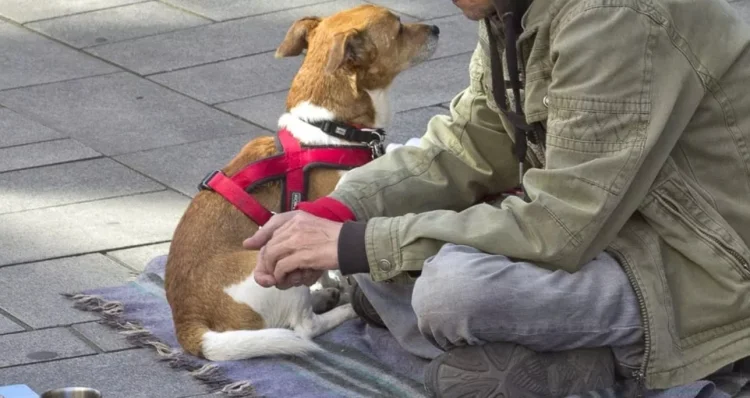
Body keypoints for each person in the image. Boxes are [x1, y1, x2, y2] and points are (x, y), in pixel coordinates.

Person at [243, 0, 750, 396]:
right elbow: (470, 142)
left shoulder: (613, 18)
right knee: (365, 218)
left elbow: (560, 226)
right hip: (604, 226)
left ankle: (627, 359)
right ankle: (528, 344)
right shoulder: (508, 9)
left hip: (699, 266)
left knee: (450, 291)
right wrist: (336, 212)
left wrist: (359, 245)